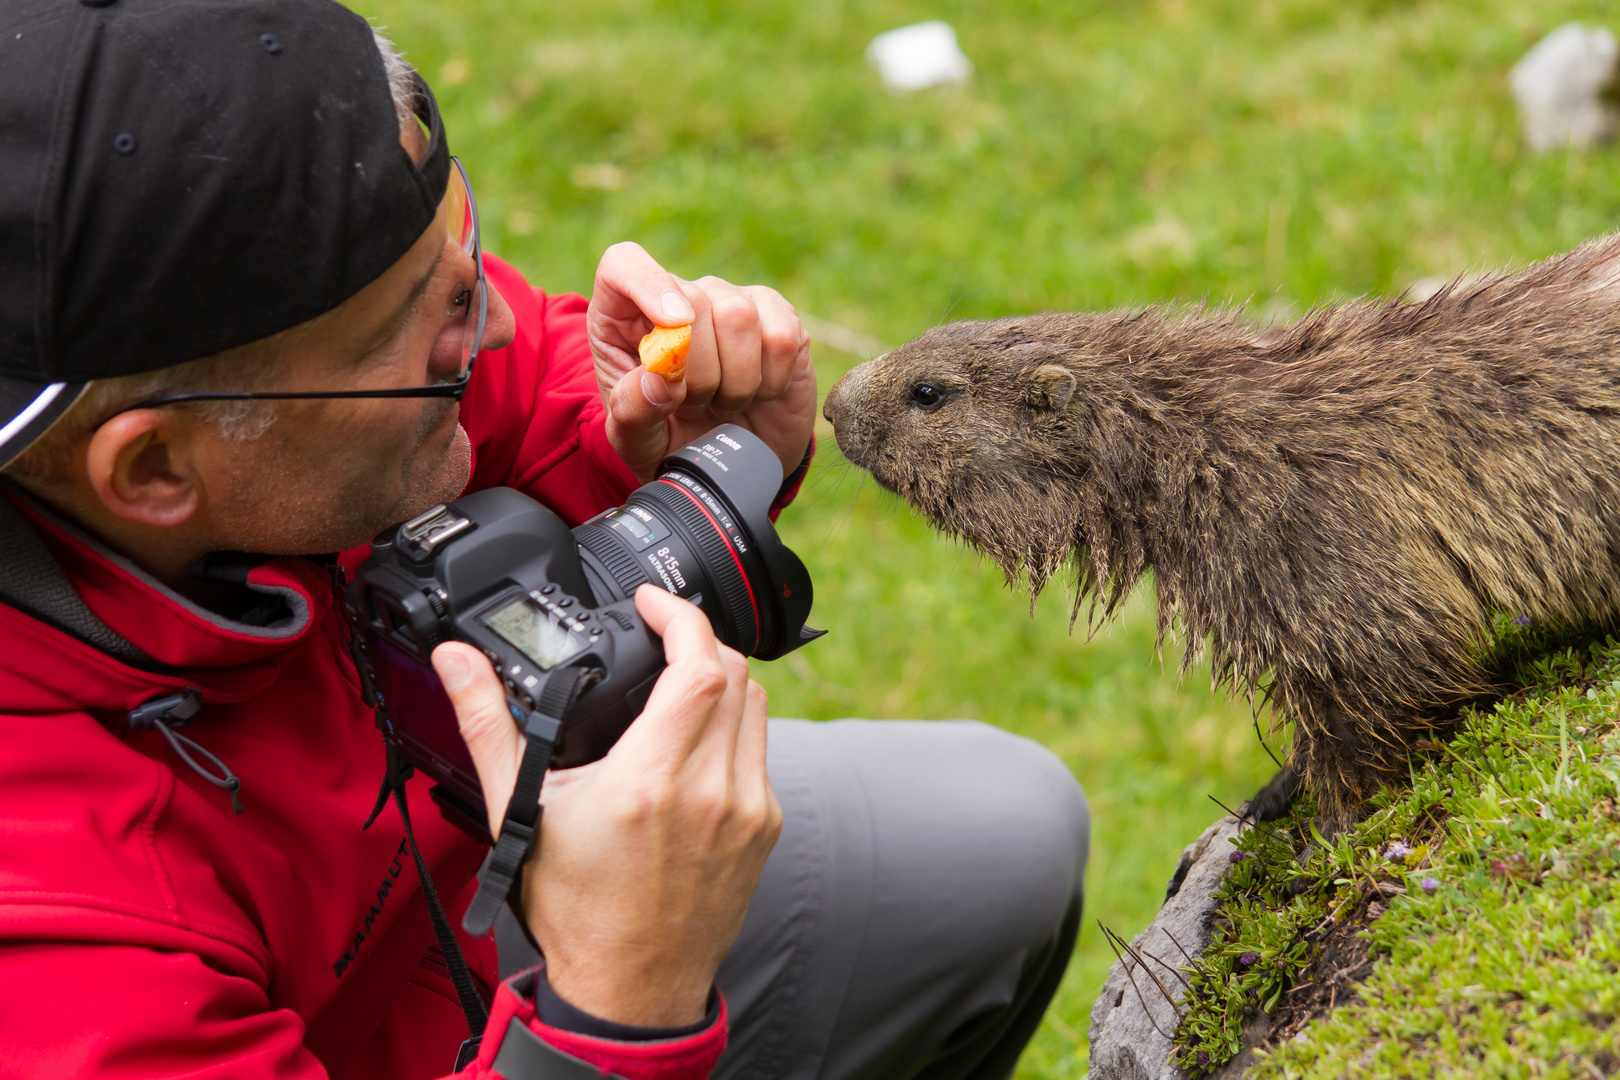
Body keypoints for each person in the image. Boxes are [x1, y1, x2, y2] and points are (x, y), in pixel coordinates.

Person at [0, 1, 1090, 1078]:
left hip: (446, 935)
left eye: (462, 263)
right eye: (421, 334)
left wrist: (647, 439)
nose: (502, 323)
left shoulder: (259, 393)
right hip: (500, 1004)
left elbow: (519, 390)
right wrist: (618, 1012)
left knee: (992, 837)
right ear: (153, 471)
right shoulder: (56, 942)